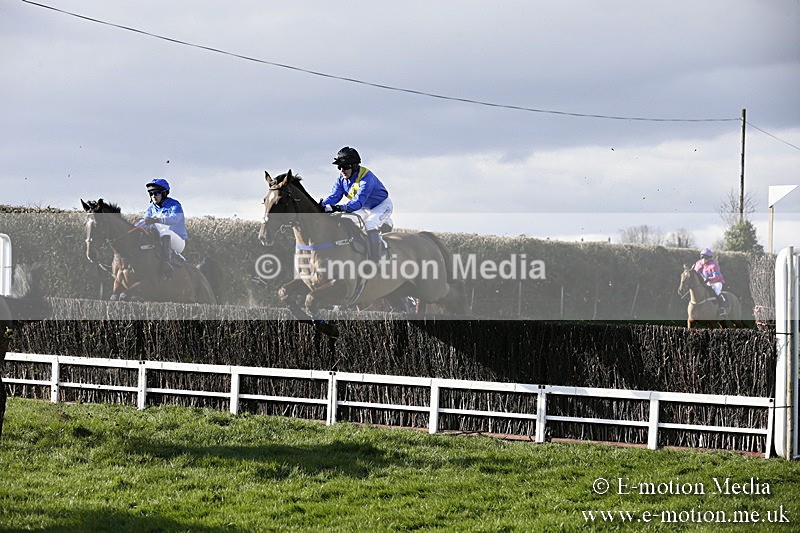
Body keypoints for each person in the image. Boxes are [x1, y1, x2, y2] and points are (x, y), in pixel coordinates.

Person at [320, 146, 394, 262]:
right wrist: (321, 205)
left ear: (354, 166)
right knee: (345, 220)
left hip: (381, 206)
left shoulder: (366, 178)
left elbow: (357, 202)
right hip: (364, 208)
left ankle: (376, 260)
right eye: (339, 167)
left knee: (369, 225)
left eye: (345, 167)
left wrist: (337, 207)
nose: (342, 170)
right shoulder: (341, 179)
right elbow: (334, 196)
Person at [137, 178, 188, 276]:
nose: (153, 196)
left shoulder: (175, 205)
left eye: (156, 193)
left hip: (178, 241)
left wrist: (157, 220)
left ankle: (166, 263)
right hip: (159, 241)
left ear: (164, 193)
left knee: (165, 232)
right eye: (151, 194)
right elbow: (144, 221)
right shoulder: (151, 209)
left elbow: (174, 219)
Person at [693, 247, 727, 316]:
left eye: (706, 258)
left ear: (709, 258)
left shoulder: (714, 265)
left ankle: (721, 308)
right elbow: (695, 273)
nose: (704, 259)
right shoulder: (698, 263)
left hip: (717, 282)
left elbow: (716, 276)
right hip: (706, 282)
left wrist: (708, 279)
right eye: (702, 257)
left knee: (717, 291)